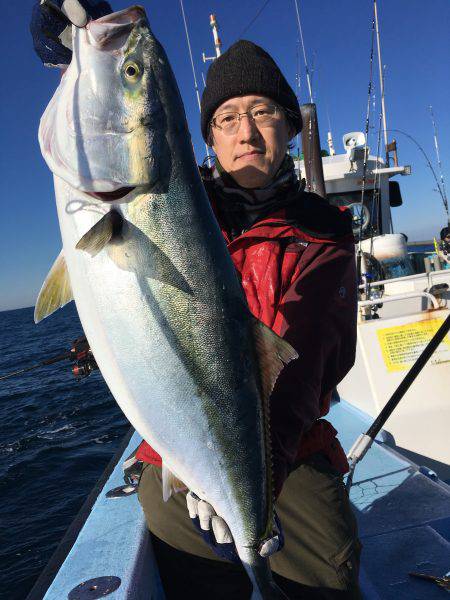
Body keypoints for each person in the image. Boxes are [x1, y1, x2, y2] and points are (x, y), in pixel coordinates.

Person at [31, 2, 361, 598]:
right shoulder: (183, 201)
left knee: (329, 582)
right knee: (187, 568)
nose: (247, 131)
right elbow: (101, 114)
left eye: (263, 113)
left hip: (287, 439)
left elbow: (307, 359)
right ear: (206, 135)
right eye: (228, 117)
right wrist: (69, 47)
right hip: (177, 446)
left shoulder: (327, 232)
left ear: (291, 126)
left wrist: (255, 489)